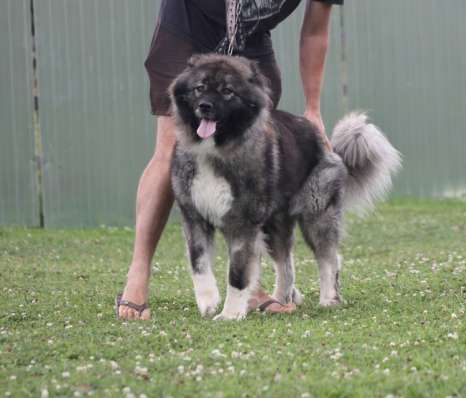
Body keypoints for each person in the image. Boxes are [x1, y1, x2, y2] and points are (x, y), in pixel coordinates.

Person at [117, 0, 344, 320]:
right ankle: (137, 277)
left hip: (250, 42)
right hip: (188, 28)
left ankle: (250, 286)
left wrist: (313, 107)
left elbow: (315, 32)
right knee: (171, 149)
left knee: (255, 161)